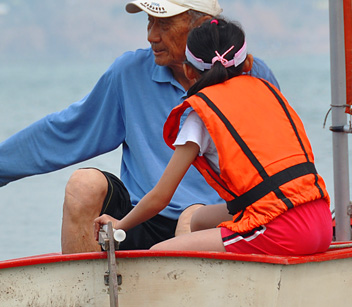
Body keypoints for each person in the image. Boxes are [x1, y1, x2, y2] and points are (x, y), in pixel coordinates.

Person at [0, 0, 279, 253]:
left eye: (164, 24)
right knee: (83, 185)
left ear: (200, 26)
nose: (152, 35)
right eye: (149, 23)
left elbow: (282, 161)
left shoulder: (251, 73)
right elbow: (63, 133)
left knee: (195, 217)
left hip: (225, 223)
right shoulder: (129, 74)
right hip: (144, 219)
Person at [95, 18, 331, 255]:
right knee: (198, 221)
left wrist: (119, 225)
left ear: (188, 70)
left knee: (160, 254)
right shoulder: (269, 92)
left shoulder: (201, 117)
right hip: (319, 218)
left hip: (283, 230)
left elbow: (160, 197)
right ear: (248, 62)